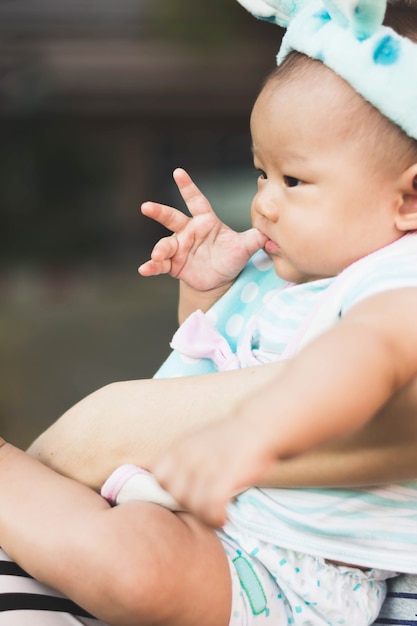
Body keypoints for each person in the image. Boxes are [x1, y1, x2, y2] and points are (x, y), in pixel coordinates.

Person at [0, 1, 417, 625]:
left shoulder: (398, 275)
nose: (264, 206)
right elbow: (209, 368)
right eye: (260, 173)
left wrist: (254, 433)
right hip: (215, 520)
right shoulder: (311, 277)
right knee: (117, 556)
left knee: (132, 570)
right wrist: (210, 294)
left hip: (295, 571)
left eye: (294, 181)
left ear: (409, 198)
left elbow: (374, 352)